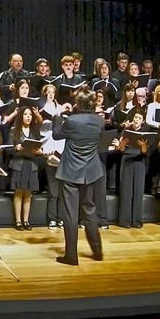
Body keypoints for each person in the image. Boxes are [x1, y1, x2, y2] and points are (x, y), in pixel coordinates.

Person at [54, 89, 105, 265]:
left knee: (70, 214)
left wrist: (58, 115)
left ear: (78, 103)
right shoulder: (99, 121)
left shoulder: (72, 121)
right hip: (90, 171)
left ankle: (71, 256)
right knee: (89, 210)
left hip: (70, 171)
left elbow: (56, 134)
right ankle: (97, 252)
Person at [113, 106, 151, 229]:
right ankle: (125, 221)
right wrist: (122, 145)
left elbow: (146, 152)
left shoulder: (145, 133)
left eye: (139, 118)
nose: (136, 120)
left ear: (142, 121)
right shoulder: (126, 131)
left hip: (139, 162)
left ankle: (136, 221)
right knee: (126, 191)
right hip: (127, 161)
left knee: (138, 192)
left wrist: (144, 146)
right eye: (135, 117)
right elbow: (121, 150)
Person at [8, 106, 43, 230]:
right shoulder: (14, 131)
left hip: (31, 164)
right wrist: (15, 148)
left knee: (28, 193)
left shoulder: (35, 131)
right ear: (21, 116)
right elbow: (8, 148)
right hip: (19, 164)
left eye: (30, 114)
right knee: (18, 192)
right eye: (25, 114)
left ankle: (26, 221)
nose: (28, 116)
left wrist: (40, 152)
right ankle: (18, 221)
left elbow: (39, 146)